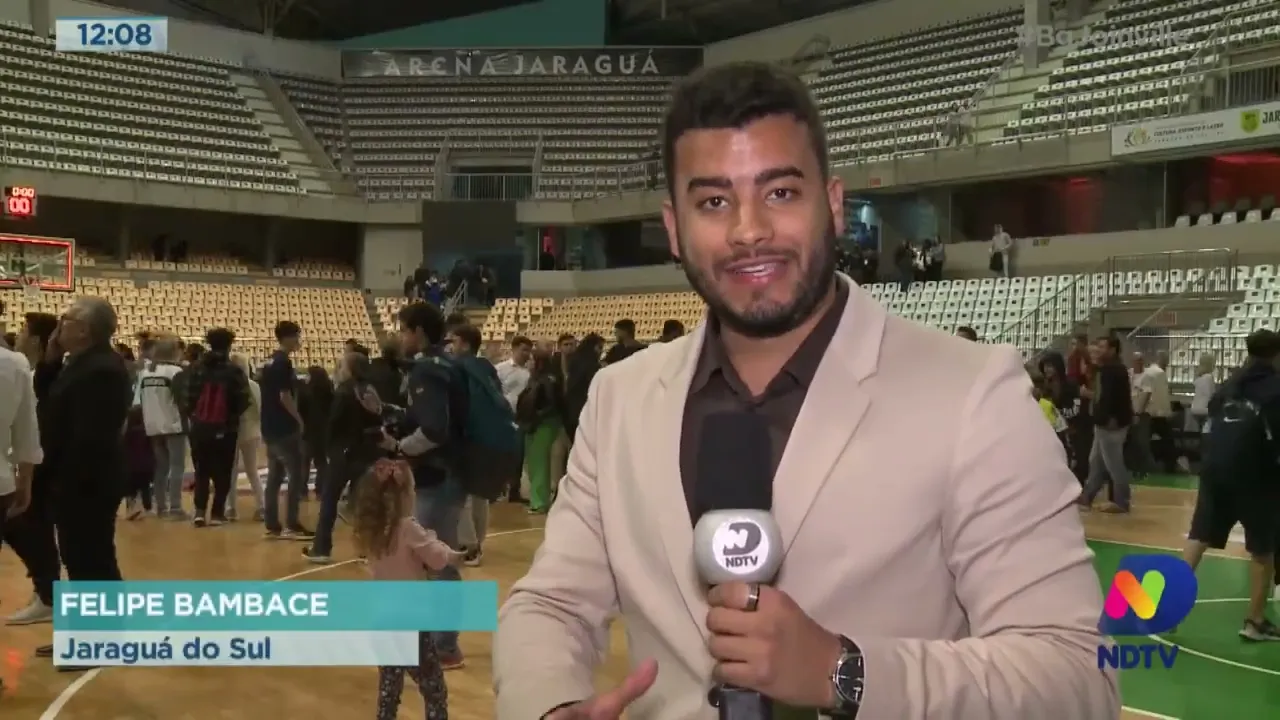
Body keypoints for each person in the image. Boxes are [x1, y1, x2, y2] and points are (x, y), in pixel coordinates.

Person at [493, 61, 1116, 719]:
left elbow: (1077, 676)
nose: (749, 230)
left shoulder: (973, 394)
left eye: (781, 192)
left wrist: (842, 671)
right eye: (713, 202)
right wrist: (551, 704)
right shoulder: (620, 398)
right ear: (674, 228)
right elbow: (551, 604)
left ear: (835, 204)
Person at [39, 298, 133, 668]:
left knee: (92, 560)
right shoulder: (79, 363)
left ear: (85, 329)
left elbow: (89, 438)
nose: (59, 325)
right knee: (80, 560)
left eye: (66, 319)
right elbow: (47, 402)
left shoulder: (102, 370)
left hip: (87, 481)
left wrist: (62, 481)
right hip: (78, 479)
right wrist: (49, 361)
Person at [1182, 329, 1280, 641]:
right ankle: (1255, 622)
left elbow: (1212, 418)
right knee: (1262, 550)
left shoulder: (1229, 384)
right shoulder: (1275, 388)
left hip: (1214, 469)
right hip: (1255, 474)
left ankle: (1166, 608)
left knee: (1198, 538)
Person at [353, 458, 460, 720]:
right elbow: (437, 559)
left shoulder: (372, 530)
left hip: (383, 619)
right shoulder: (408, 528)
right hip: (411, 621)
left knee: (389, 688)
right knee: (433, 687)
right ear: (405, 495)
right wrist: (452, 554)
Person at [391, 300, 466, 670]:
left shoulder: (427, 369)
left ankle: (444, 645)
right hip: (452, 472)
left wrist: (401, 447)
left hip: (437, 474)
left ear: (418, 332)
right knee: (439, 558)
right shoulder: (449, 364)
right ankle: (441, 641)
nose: (401, 337)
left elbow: (435, 429)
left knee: (437, 560)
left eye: (404, 330)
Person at [3, 312, 60, 627]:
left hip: (37, 466)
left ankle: (48, 595)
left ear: (37, 339)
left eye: (24, 330)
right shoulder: (22, 367)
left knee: (31, 530)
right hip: (18, 468)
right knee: (26, 530)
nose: (19, 335)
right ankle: (47, 592)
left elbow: (32, 428)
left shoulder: (35, 372)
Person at [305, 350, 386, 564]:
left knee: (329, 500)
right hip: (367, 452)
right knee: (365, 503)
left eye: (342, 365)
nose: (339, 369)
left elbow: (334, 424)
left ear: (350, 369)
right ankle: (368, 549)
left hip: (343, 453)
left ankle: (321, 548)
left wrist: (328, 450)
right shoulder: (370, 389)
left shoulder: (344, 391)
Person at [176, 328, 250, 528]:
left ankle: (199, 512)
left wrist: (195, 415)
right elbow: (244, 400)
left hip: (200, 427)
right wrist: (230, 417)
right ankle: (217, 513)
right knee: (223, 471)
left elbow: (186, 398)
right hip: (226, 428)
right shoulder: (234, 371)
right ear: (229, 345)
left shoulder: (196, 368)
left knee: (201, 470)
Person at [259, 320, 313, 541]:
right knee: (296, 475)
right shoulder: (283, 363)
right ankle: (292, 523)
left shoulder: (269, 361)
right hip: (284, 426)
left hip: (269, 425)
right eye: (297, 336)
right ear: (289, 337)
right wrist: (299, 419)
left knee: (274, 476)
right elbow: (284, 396)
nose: (299, 340)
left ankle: (272, 524)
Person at [447, 323, 497, 565]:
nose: (450, 346)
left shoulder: (458, 368)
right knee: (479, 495)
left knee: (461, 495)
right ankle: (478, 544)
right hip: (488, 437)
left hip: (467, 437)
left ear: (465, 344)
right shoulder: (487, 368)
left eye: (454, 341)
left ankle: (469, 546)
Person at [137, 334, 188, 519]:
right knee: (177, 466)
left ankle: (161, 507)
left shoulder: (145, 372)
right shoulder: (176, 372)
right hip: (173, 423)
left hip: (152, 424)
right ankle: (175, 507)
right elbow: (182, 400)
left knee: (161, 467)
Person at [1081, 335, 1134, 513]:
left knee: (1113, 464)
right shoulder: (1108, 369)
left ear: (1112, 350)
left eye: (1102, 347)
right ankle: (1087, 497)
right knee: (1096, 461)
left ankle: (1122, 501)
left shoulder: (1112, 370)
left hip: (1110, 424)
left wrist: (1107, 419)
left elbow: (1108, 399)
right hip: (1106, 423)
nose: (1098, 350)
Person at [515, 349, 563, 515]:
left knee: (539, 463)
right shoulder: (538, 378)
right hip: (535, 424)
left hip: (542, 425)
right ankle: (539, 499)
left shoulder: (547, 380)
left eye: (531, 360)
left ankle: (539, 502)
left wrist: (536, 416)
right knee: (534, 463)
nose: (528, 363)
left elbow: (550, 404)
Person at [227, 353, 265, 522]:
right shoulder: (254, 385)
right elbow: (259, 410)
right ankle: (262, 506)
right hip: (252, 431)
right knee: (252, 471)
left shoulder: (228, 386)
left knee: (231, 472)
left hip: (233, 431)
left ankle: (231, 508)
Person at [300, 365, 335, 501]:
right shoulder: (329, 391)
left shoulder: (304, 392)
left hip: (307, 430)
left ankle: (302, 492)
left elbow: (300, 411)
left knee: (304, 462)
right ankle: (320, 490)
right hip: (323, 431)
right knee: (321, 463)